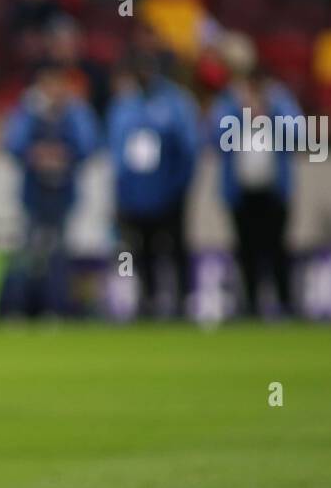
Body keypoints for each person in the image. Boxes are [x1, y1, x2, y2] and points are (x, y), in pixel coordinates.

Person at [0, 58, 100, 317]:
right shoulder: (29, 111)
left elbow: (89, 144)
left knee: (59, 254)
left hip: (63, 195)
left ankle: (55, 308)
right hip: (34, 194)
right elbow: (12, 144)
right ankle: (18, 309)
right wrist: (36, 153)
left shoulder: (75, 111)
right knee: (27, 252)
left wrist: (64, 154)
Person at [108, 43, 201, 317]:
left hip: (169, 192)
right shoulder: (125, 104)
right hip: (137, 194)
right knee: (142, 250)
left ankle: (184, 301)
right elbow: (117, 154)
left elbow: (188, 150)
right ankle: (148, 302)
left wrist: (178, 186)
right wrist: (122, 192)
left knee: (175, 248)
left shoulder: (176, 102)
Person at [207, 67, 298, 317]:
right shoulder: (229, 106)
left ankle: (286, 304)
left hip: (273, 192)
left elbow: (299, 136)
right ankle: (250, 306)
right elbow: (215, 137)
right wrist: (242, 114)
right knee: (245, 250)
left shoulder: (280, 104)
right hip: (241, 192)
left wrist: (270, 113)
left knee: (277, 249)